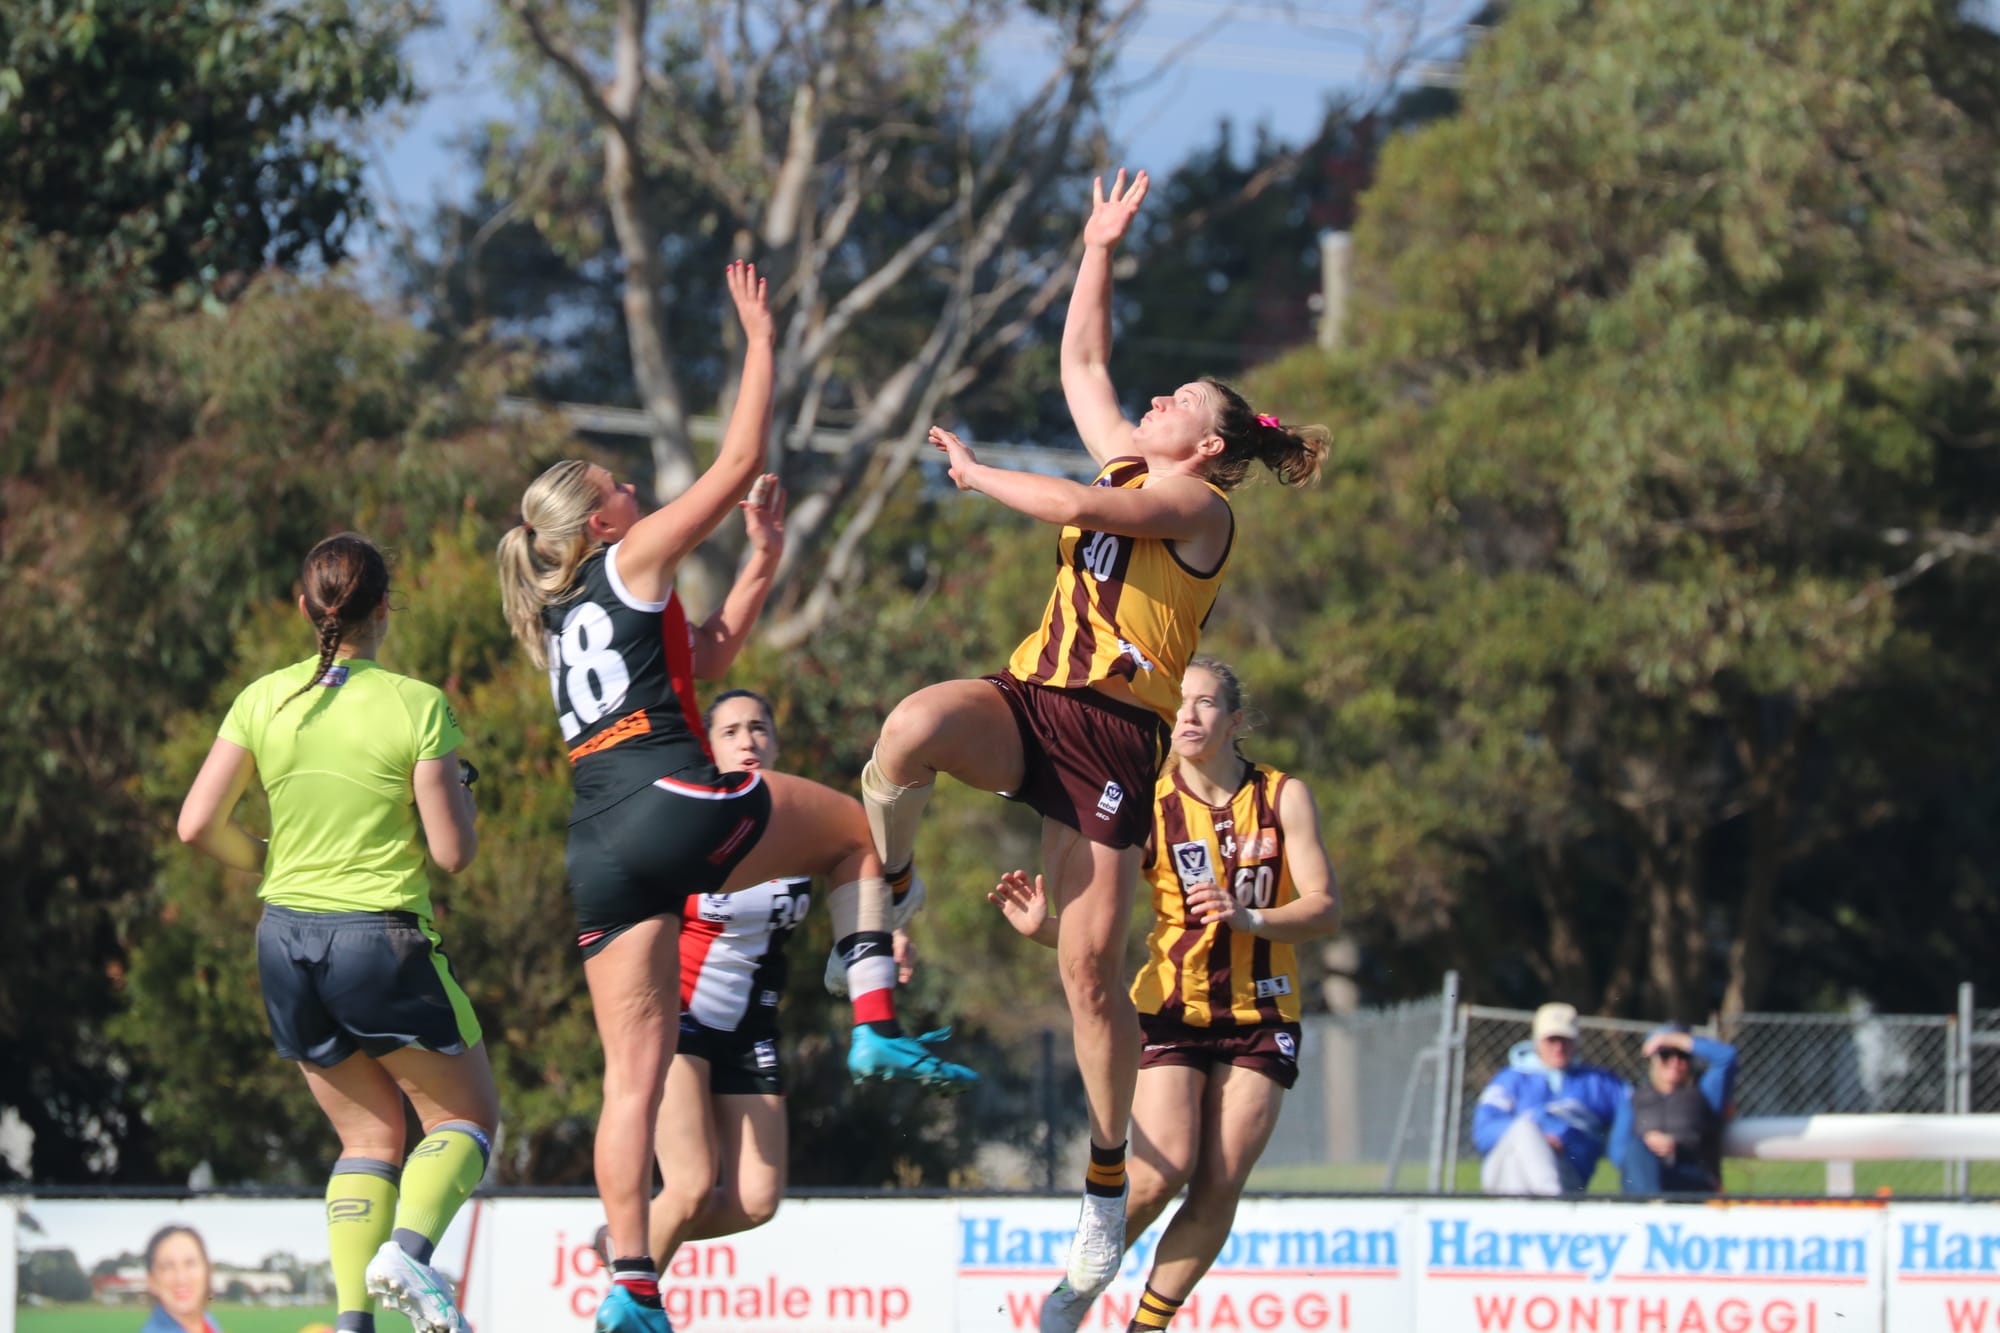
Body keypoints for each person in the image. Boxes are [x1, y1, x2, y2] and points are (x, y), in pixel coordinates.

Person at [861, 168, 1327, 1305]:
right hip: (1032, 703)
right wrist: (1097, 246)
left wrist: (974, 473)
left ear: (1210, 449)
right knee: (907, 731)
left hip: (1116, 744)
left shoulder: (1197, 510)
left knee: (1083, 972)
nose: (1154, 403)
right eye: (1159, 395)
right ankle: (899, 880)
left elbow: (1079, 508)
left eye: (1177, 404)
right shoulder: (1134, 453)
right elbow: (1081, 364)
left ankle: (1103, 1179)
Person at [494, 263, 973, 1333]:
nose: (633, 493)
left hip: (598, 841)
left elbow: (706, 652)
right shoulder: (630, 560)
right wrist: (758, 338)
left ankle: (629, 1284)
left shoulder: (574, 604)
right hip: (666, 797)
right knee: (857, 832)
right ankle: (873, 1017)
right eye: (618, 487)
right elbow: (742, 455)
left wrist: (759, 561)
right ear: (604, 523)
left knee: (632, 1074)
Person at [177, 533, 498, 1333]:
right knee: (465, 1120)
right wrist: (460, 787)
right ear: (385, 607)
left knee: (367, 1133)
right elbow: (454, 854)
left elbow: (195, 825)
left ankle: (353, 1321)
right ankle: (410, 1252)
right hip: (378, 939)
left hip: (283, 941)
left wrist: (268, 860)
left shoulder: (263, 697)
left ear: (304, 606)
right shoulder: (417, 703)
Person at [989, 657, 1341, 1333]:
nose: (1186, 714)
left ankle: (1147, 1325)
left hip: (1263, 1010)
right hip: (1173, 1004)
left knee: (1220, 1176)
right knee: (1162, 1169)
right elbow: (1096, 931)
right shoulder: (1149, 800)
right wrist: (1046, 930)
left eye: (1205, 703)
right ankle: (1076, 1287)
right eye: (1179, 703)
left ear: (1234, 721)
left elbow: (1326, 908)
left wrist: (1251, 917)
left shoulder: (1283, 795)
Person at [591, 688, 927, 1276]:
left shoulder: (803, 823)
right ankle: (628, 1295)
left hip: (750, 1030)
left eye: (760, 728)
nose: (748, 740)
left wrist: (878, 946)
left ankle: (626, 1239)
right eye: (731, 731)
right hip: (678, 1020)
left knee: (755, 1201)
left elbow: (851, 903)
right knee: (692, 1187)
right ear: (708, 748)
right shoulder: (685, 821)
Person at [1473, 1002, 1628, 1196]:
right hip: (1504, 1169)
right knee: (1523, 1131)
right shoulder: (1511, 1079)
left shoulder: (1598, 1083)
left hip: (1568, 1172)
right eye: (1551, 1040)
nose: (1558, 1047)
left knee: (1519, 1156)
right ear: (1537, 1041)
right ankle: (1551, 1204)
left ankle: (1531, 1214)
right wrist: (1537, 1140)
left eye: (1565, 1040)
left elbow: (1636, 1110)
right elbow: (1483, 1132)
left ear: (1576, 1042)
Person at [1610, 1024, 1740, 1195]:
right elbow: (1617, 1153)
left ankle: (1654, 1210)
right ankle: (1654, 1207)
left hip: (1692, 1178)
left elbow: (1727, 1057)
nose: (1675, 1062)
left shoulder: (1705, 1094)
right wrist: (1648, 1144)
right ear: (1653, 1059)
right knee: (1636, 1148)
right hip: (1646, 1180)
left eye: (1682, 1055)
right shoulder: (1634, 1101)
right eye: (1665, 1054)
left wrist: (1670, 1039)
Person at [141, 1226, 219, 1333]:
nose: (181, 1278)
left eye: (190, 1263)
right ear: (152, 1281)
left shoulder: (208, 1321)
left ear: (208, 1271)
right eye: (167, 1266)